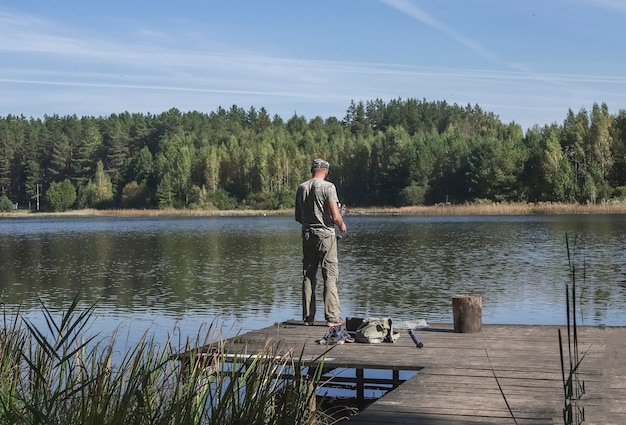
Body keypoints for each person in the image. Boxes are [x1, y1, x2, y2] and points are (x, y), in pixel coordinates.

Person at [295, 158, 347, 327]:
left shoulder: (302, 187)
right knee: (330, 275)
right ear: (326, 171)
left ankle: (308, 318)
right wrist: (341, 224)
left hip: (307, 235)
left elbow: (298, 216)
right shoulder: (328, 187)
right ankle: (332, 318)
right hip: (325, 235)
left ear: (313, 170)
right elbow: (335, 215)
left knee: (309, 276)